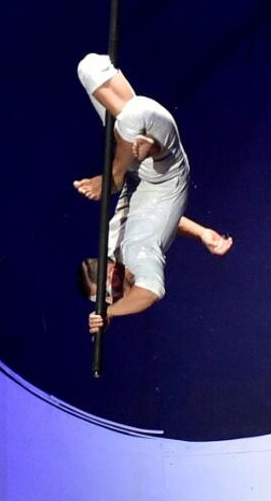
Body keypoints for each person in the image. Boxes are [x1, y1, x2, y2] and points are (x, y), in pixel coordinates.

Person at [74, 53, 232, 334]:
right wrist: (111, 313)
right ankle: (141, 151)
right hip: (164, 165)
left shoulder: (128, 250)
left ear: (111, 273)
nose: (117, 297)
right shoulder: (140, 257)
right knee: (135, 116)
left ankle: (118, 172)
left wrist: (108, 313)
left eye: (109, 295)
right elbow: (150, 290)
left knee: (89, 68)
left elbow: (149, 287)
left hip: (136, 165)